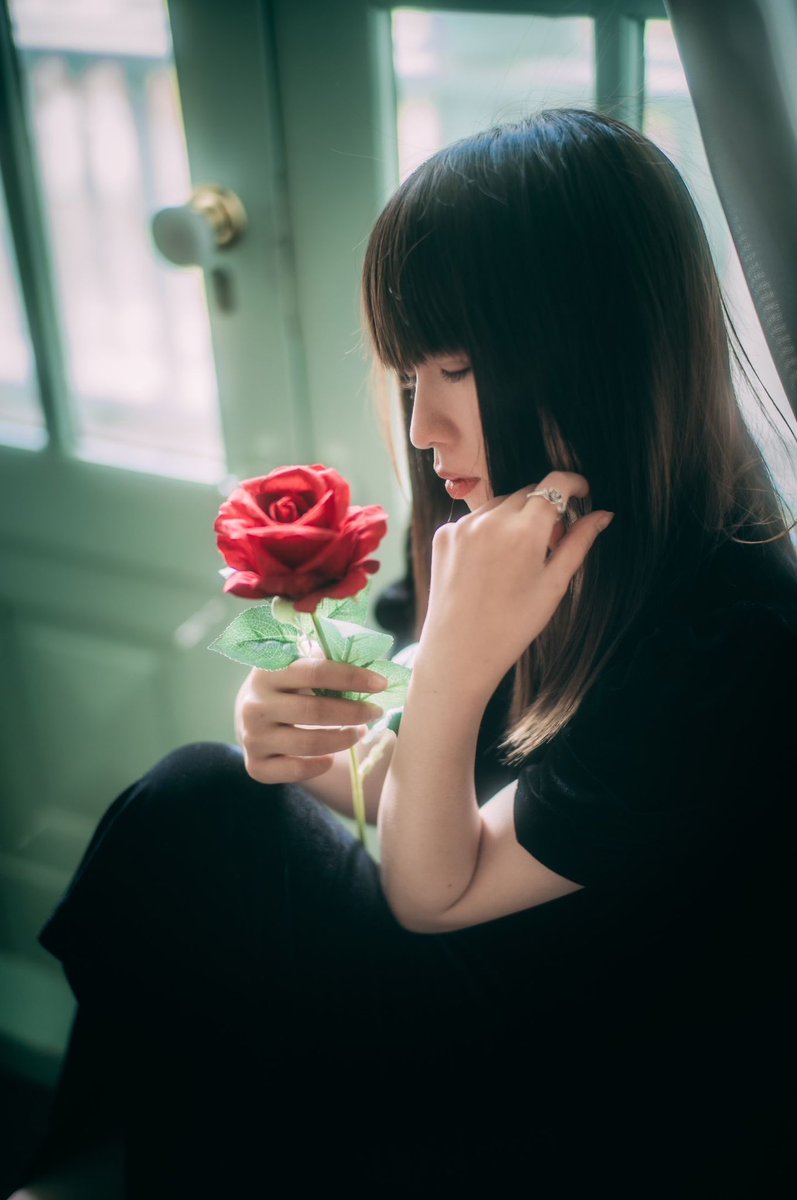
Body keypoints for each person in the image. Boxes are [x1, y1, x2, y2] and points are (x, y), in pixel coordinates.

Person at [13, 108, 797, 1197]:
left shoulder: (727, 639)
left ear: (597, 351)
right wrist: (290, 736)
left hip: (580, 1087)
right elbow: (412, 788)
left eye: (457, 369)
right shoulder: (523, 535)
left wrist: (461, 660)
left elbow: (428, 890)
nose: (423, 427)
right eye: (405, 376)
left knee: (188, 820)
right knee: (210, 802)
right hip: (491, 983)